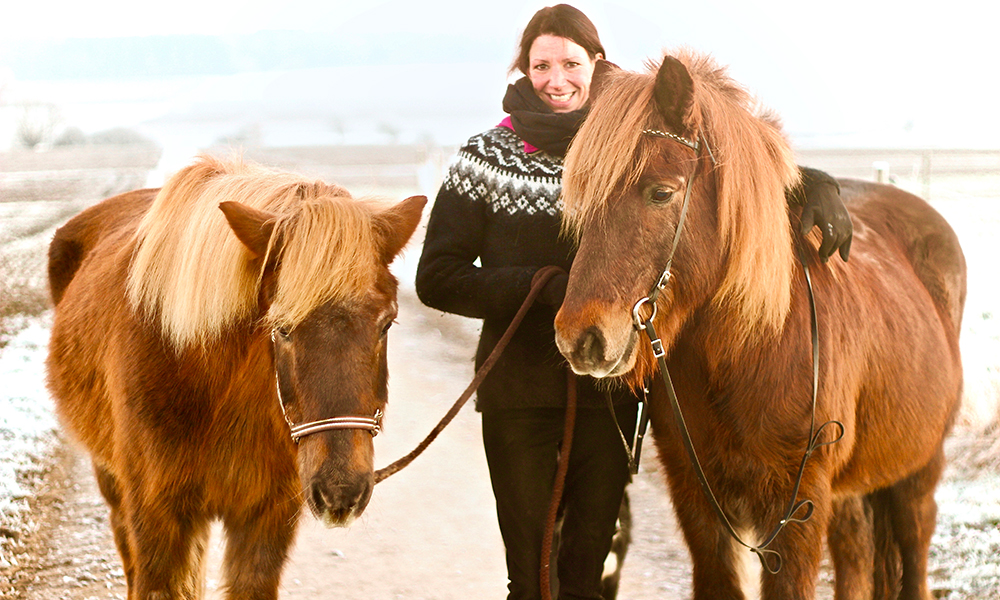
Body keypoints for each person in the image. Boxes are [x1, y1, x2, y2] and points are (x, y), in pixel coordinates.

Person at [414, 5, 853, 599]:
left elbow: (718, 162)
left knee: (590, 573)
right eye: (540, 64)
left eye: (571, 63)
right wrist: (540, 285)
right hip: (521, 392)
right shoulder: (486, 156)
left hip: (612, 394)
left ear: (597, 66)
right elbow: (437, 277)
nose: (556, 78)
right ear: (522, 69)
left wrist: (809, 182)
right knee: (532, 575)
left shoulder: (627, 137)